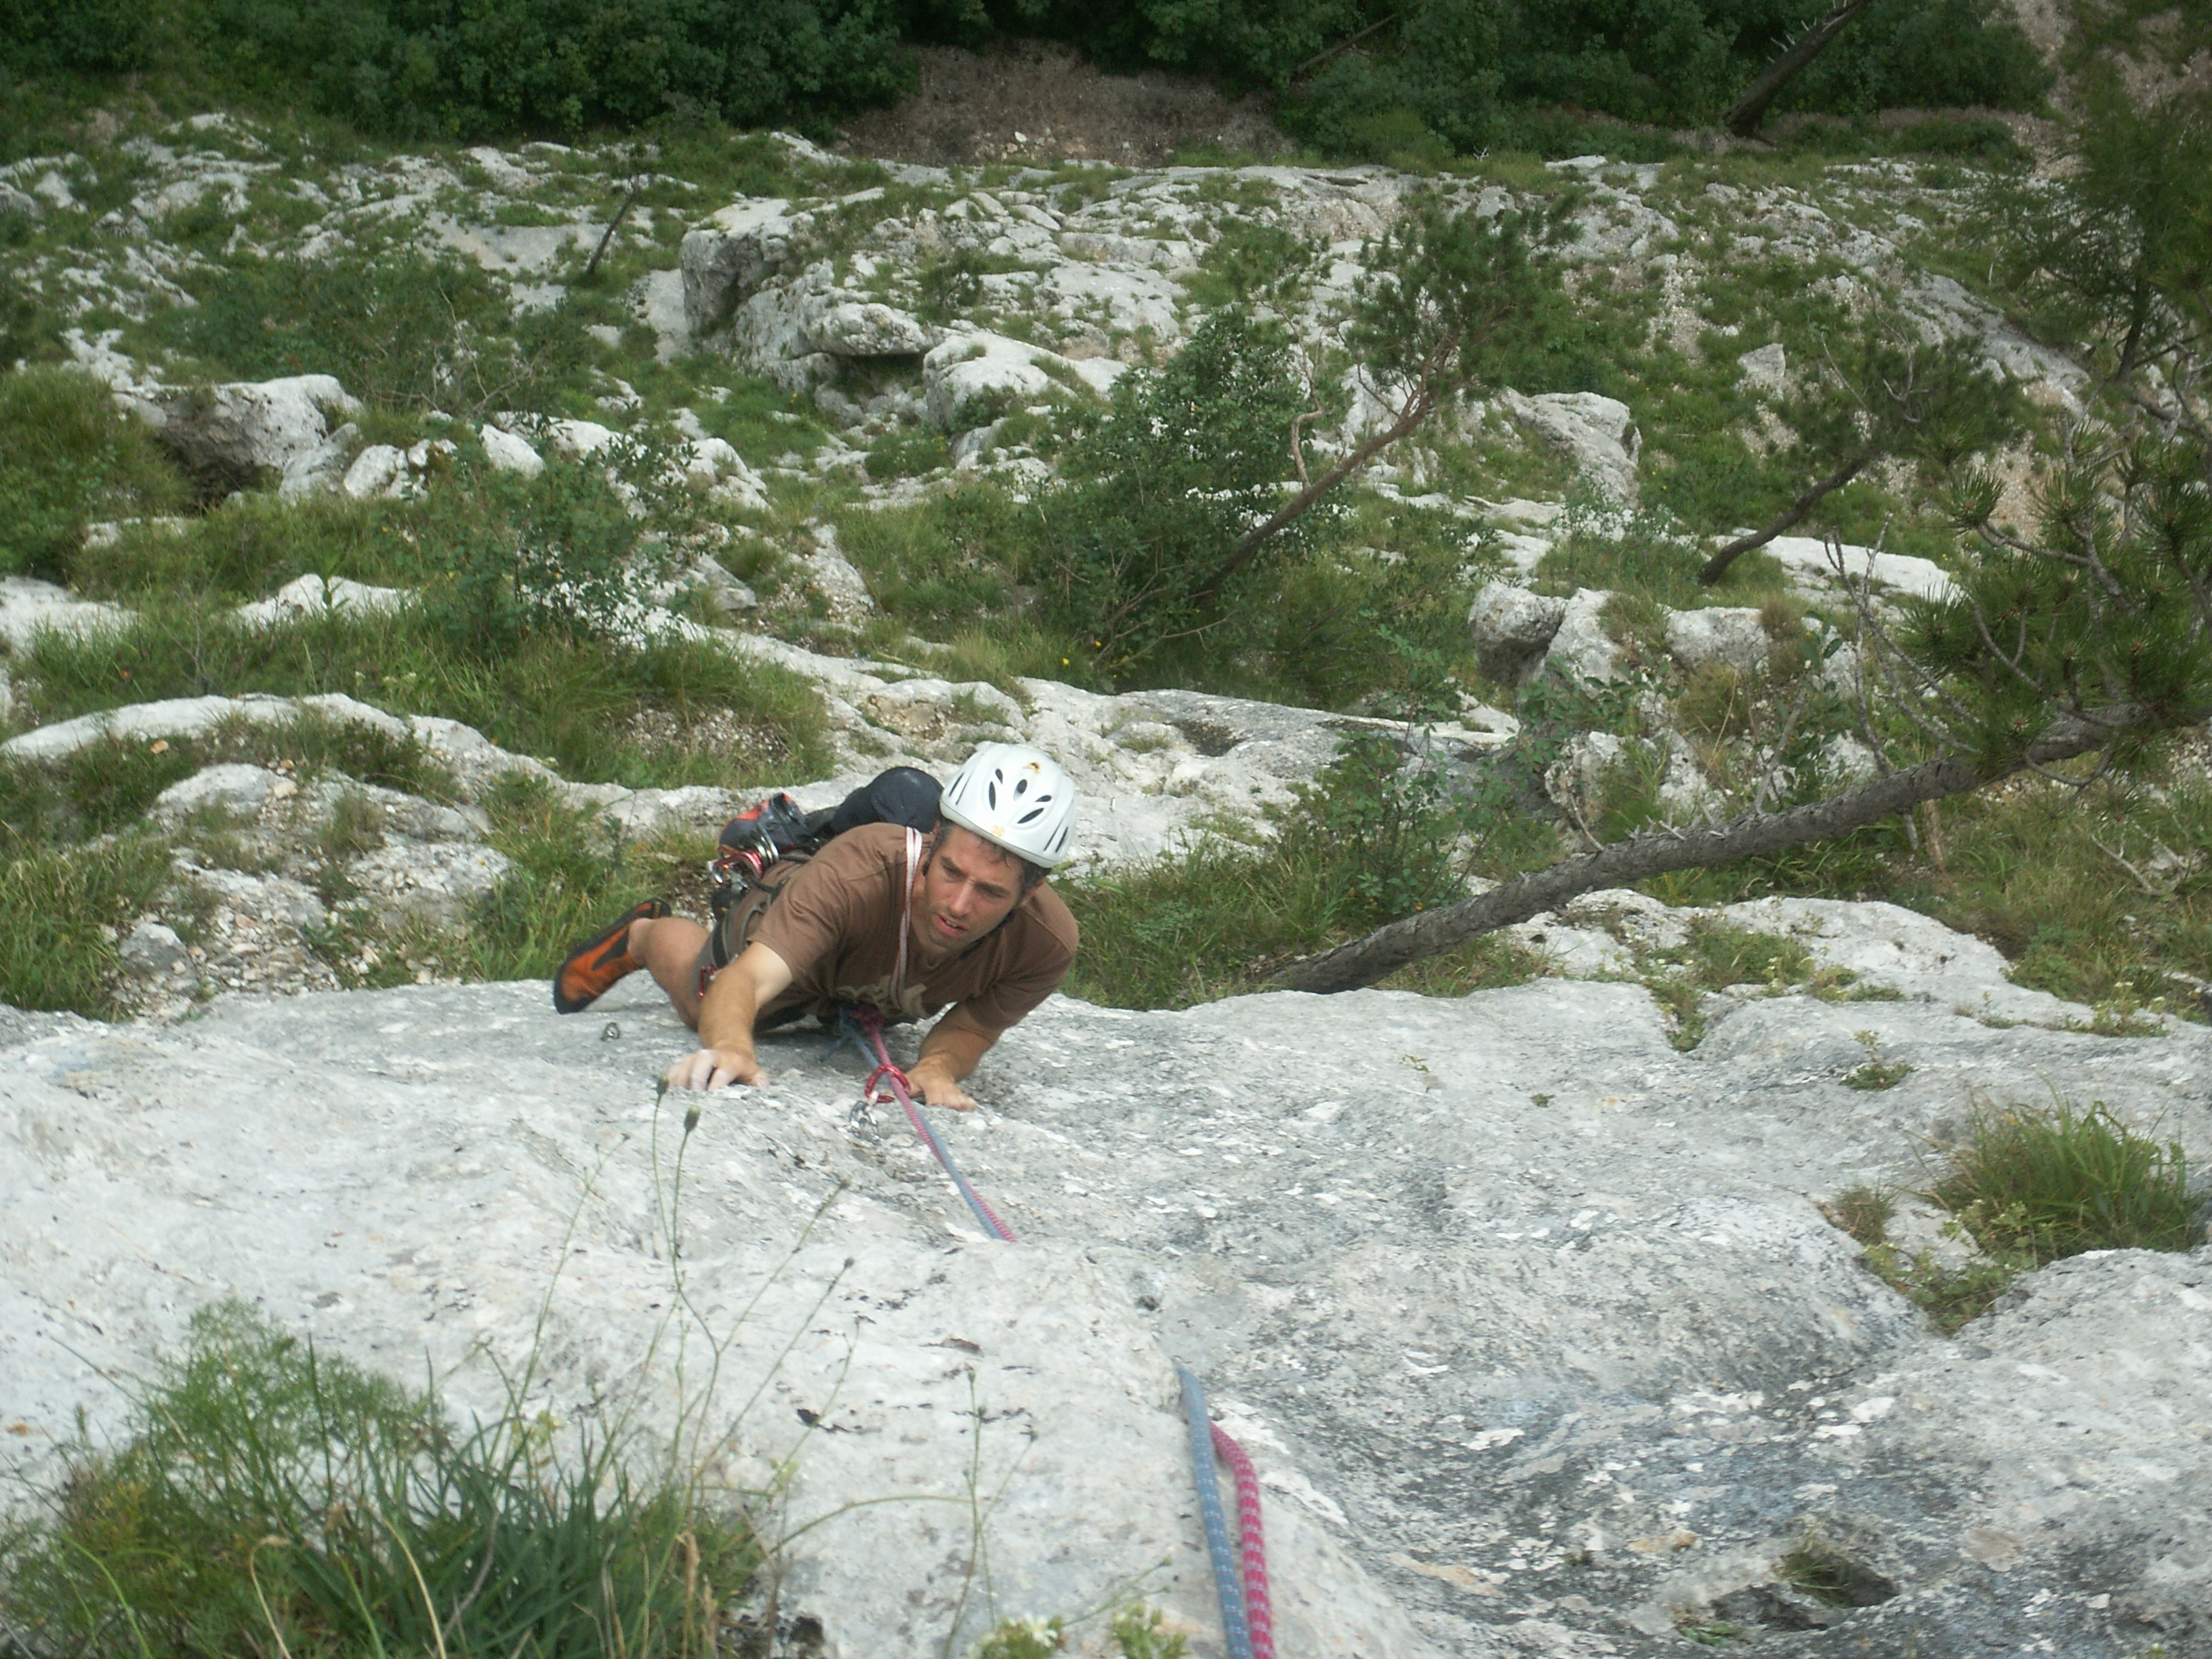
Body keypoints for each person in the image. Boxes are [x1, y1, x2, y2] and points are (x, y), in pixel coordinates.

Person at [551, 744, 1080, 1110]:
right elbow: (747, 979)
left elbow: (975, 1028)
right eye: (951, 872)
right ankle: (644, 936)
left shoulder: (1044, 945)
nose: (959, 905)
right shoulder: (857, 872)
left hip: (870, 978)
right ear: (933, 837)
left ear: (1030, 890)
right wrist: (732, 1047)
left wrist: (938, 1065)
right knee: (701, 1004)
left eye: (990, 892)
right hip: (802, 928)